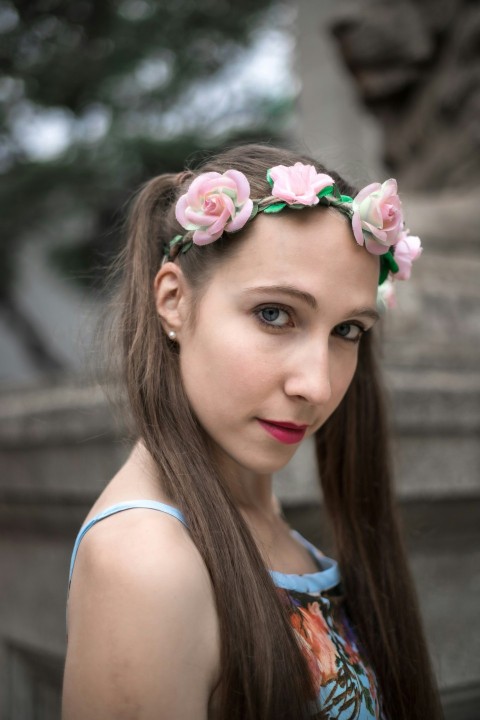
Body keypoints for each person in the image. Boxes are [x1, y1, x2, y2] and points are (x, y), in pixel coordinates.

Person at [62, 144, 442, 720]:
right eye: (274, 314)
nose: (316, 385)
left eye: (347, 329)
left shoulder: (262, 523)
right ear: (173, 301)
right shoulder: (146, 563)